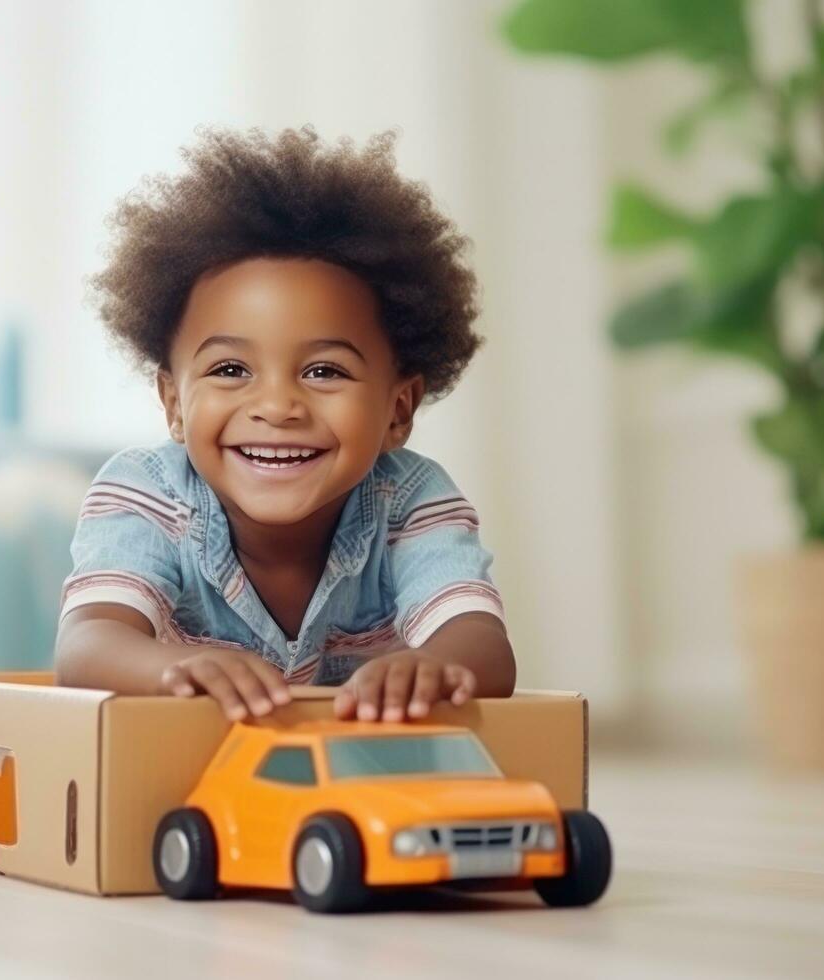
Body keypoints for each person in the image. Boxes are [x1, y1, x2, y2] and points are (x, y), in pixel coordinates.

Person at [55, 126, 513, 724]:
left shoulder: (409, 500)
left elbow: (484, 646)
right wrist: (169, 669)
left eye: (324, 370)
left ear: (398, 409)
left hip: (357, 775)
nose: (277, 406)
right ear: (173, 402)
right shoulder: (148, 494)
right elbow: (85, 646)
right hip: (192, 771)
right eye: (230, 368)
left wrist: (436, 666)